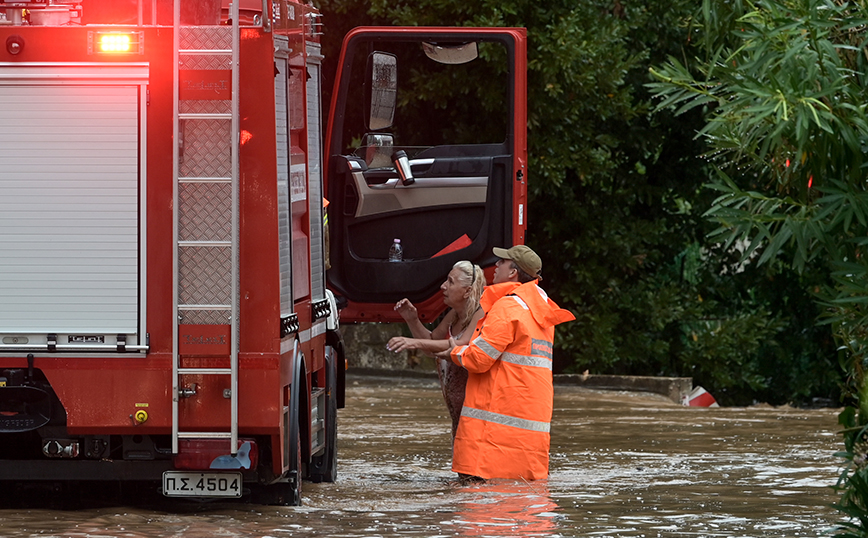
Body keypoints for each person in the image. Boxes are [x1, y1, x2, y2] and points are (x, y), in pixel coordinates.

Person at [439, 245, 574, 482]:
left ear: (513, 273)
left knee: (477, 509)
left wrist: (455, 351)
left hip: (492, 442)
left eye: (502, 262)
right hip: (527, 442)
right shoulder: (541, 311)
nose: (496, 265)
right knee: (520, 506)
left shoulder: (507, 307)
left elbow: (479, 359)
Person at [386, 260, 485, 438]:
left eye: (450, 281)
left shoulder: (480, 314)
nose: (443, 286)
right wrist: (412, 320)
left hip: (478, 414)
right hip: (458, 411)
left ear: (468, 291)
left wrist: (414, 342)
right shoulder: (454, 314)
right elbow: (431, 345)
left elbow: (462, 344)